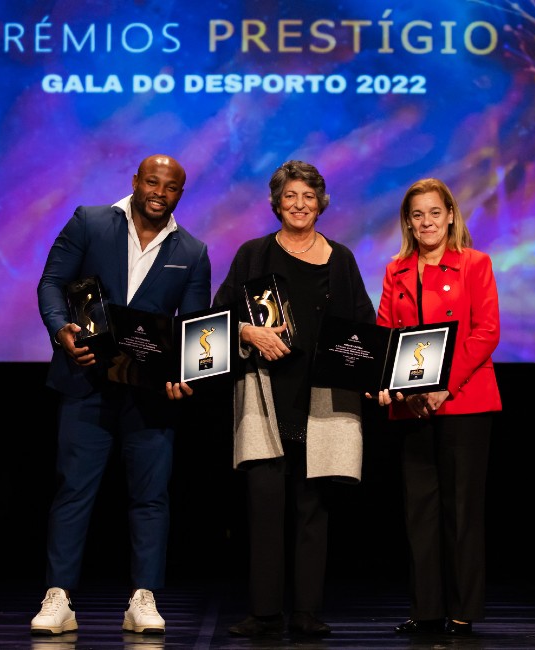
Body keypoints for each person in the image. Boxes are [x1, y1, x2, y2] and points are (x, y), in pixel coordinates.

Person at [32, 154, 211, 636]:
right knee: (73, 491)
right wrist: (60, 330)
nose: (159, 192)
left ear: (180, 193)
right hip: (85, 382)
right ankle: (59, 598)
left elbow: (194, 329)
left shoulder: (192, 251)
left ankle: (143, 597)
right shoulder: (89, 221)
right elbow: (51, 283)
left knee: (151, 498)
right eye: (151, 181)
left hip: (148, 394)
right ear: (135, 181)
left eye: (170, 187)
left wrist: (186, 371)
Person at [212, 160, 375, 637]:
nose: (299, 205)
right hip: (265, 397)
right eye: (290, 197)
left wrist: (374, 369)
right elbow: (218, 315)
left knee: (313, 509)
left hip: (322, 399)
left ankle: (305, 612)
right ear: (276, 204)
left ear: (321, 204)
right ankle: (264, 613)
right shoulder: (253, 255)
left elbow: (362, 322)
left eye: (308, 197)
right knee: (263, 508)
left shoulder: (340, 258)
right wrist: (248, 331)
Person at [370, 177, 502, 637]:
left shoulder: (475, 264)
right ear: (408, 221)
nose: (426, 222)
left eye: (434, 212)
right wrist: (386, 384)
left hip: (465, 402)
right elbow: (385, 334)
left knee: (462, 510)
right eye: (417, 214)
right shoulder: (396, 269)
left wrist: (446, 384)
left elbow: (486, 332)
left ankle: (462, 610)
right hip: (412, 408)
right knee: (419, 510)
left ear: (450, 215)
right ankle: (426, 609)